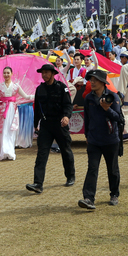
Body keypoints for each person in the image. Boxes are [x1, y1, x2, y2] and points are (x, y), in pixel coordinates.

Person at [26, 63, 75, 194]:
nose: (44, 75)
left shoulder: (62, 88)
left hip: (60, 124)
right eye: (43, 72)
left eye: (47, 72)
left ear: (53, 74)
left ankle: (70, 176)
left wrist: (66, 117)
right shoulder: (39, 89)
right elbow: (36, 108)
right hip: (46, 125)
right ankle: (38, 183)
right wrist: (35, 124)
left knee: (66, 150)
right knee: (42, 153)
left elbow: (68, 105)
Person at [78, 69, 121, 210]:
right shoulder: (89, 98)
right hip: (94, 140)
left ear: (103, 82)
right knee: (92, 168)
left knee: (112, 169)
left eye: (95, 79)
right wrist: (87, 136)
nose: (92, 82)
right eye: (91, 79)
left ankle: (114, 194)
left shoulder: (113, 97)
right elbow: (87, 118)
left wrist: (107, 109)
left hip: (110, 140)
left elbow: (119, 118)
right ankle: (88, 198)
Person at [0, 67, 33, 161]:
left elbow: (26, 96)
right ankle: (1, 150)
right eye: (4, 73)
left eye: (8, 73)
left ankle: (9, 150)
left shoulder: (16, 86)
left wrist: (37, 95)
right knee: (3, 129)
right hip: (2, 109)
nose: (6, 75)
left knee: (11, 129)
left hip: (12, 109)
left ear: (12, 74)